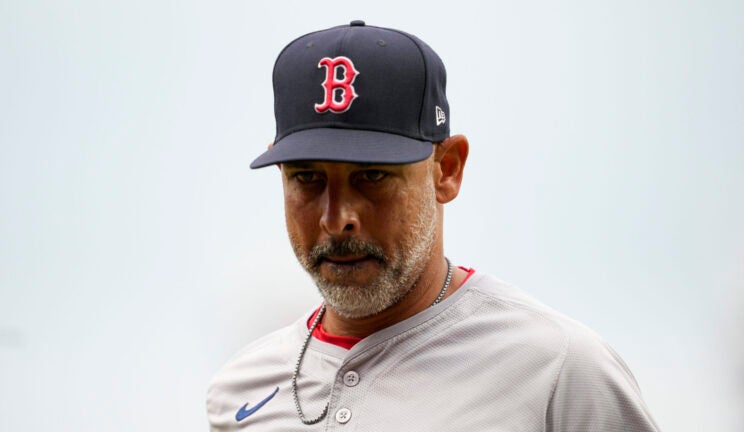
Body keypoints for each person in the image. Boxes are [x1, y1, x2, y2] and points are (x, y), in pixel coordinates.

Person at [207, 21, 660, 431]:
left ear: (446, 169)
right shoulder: (241, 390)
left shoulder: (559, 369)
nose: (338, 217)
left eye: (372, 175)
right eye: (307, 178)